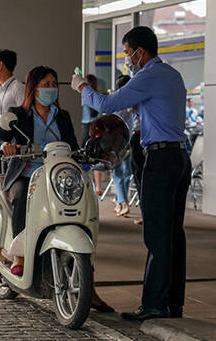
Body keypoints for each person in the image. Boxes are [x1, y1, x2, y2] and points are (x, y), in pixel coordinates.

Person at [73, 26, 190, 321]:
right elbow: (129, 112)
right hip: (179, 158)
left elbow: (106, 104)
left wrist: (82, 87)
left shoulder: (147, 76)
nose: (127, 58)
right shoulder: (171, 76)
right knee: (174, 233)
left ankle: (153, 305)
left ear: (140, 51)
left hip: (160, 159)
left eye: (127, 53)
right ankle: (173, 304)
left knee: (157, 234)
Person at [0, 66, 79, 275]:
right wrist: (6, 147)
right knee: (23, 196)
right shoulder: (17, 115)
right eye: (46, 85)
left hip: (57, 176)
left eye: (54, 84)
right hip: (26, 173)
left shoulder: (63, 116)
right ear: (33, 89)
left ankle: (84, 270)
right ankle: (19, 255)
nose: (51, 89)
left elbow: (74, 147)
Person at [111, 75, 133, 217]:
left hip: (116, 143)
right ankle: (120, 202)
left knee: (117, 173)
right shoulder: (134, 101)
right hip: (131, 142)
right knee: (126, 173)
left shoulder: (116, 102)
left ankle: (123, 203)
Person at [80, 74, 99, 145]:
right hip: (96, 124)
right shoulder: (97, 94)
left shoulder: (84, 95)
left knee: (83, 146)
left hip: (86, 124)